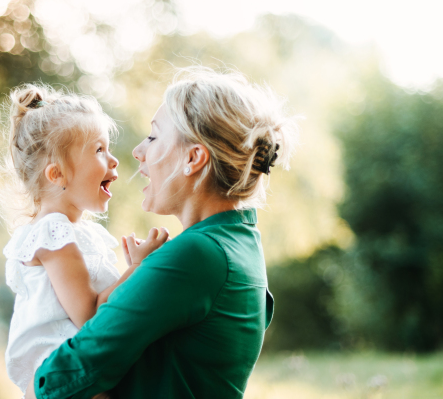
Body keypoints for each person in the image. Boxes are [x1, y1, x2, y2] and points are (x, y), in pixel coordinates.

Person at [25, 66, 299, 399]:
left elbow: (61, 379)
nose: (138, 151)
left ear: (194, 157)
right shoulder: (240, 243)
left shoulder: (196, 255)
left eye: (154, 137)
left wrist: (33, 384)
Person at [1, 84, 169, 396]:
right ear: (57, 174)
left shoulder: (73, 233)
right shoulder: (54, 232)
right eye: (99, 150)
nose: (114, 160)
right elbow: (91, 316)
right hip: (66, 378)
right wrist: (139, 268)